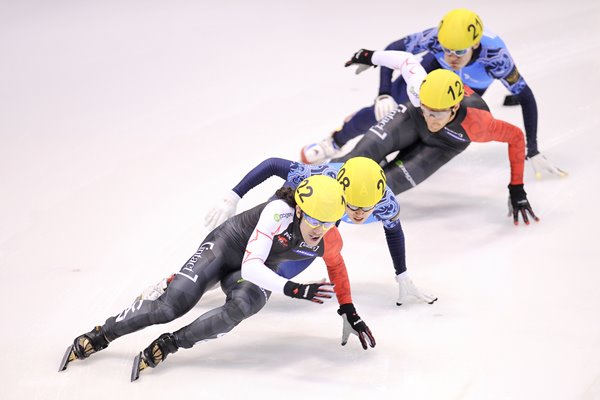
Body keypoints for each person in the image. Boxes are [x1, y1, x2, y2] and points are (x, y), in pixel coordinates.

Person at [58, 175, 376, 381]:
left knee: (245, 306)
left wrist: (349, 310)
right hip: (227, 248)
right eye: (315, 220)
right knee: (172, 307)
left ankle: (171, 344)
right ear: (298, 211)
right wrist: (292, 287)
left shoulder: (330, 238)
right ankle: (102, 334)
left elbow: (336, 268)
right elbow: (252, 265)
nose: (319, 230)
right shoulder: (277, 212)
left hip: (251, 270)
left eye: (329, 222)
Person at [300, 8, 566, 180]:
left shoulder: (496, 58)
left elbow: (526, 96)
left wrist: (533, 149)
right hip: (430, 74)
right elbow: (395, 50)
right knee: (385, 112)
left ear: (475, 43)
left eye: (459, 52)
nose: (451, 56)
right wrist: (384, 94)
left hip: (462, 93)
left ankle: (382, 161)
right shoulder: (434, 39)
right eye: (446, 48)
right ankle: (333, 142)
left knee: (426, 131)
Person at [202, 156, 437, 306]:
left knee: (276, 272)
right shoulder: (322, 177)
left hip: (324, 220)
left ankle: (221, 279)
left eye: (366, 209)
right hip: (296, 206)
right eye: (352, 206)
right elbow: (272, 164)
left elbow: (394, 233)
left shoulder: (387, 204)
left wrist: (402, 274)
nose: (357, 214)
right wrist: (233, 196)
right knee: (248, 247)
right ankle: (197, 278)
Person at [334, 60, 539, 226]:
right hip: (412, 118)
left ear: (454, 107)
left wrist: (516, 187)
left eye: (437, 113)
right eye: (427, 109)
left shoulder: (479, 123)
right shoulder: (417, 88)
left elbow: (516, 137)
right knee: (352, 160)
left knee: (377, 192)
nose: (431, 119)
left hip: (444, 145)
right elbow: (401, 58)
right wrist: (371, 56)